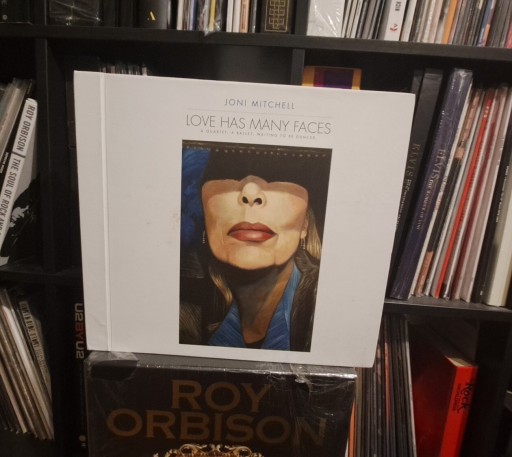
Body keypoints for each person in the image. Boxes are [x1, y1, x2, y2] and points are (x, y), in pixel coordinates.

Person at [179, 141, 331, 352]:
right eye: (226, 172)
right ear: (204, 214)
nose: (250, 192)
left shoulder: (331, 304)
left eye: (280, 176)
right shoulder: (180, 310)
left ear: (305, 223)